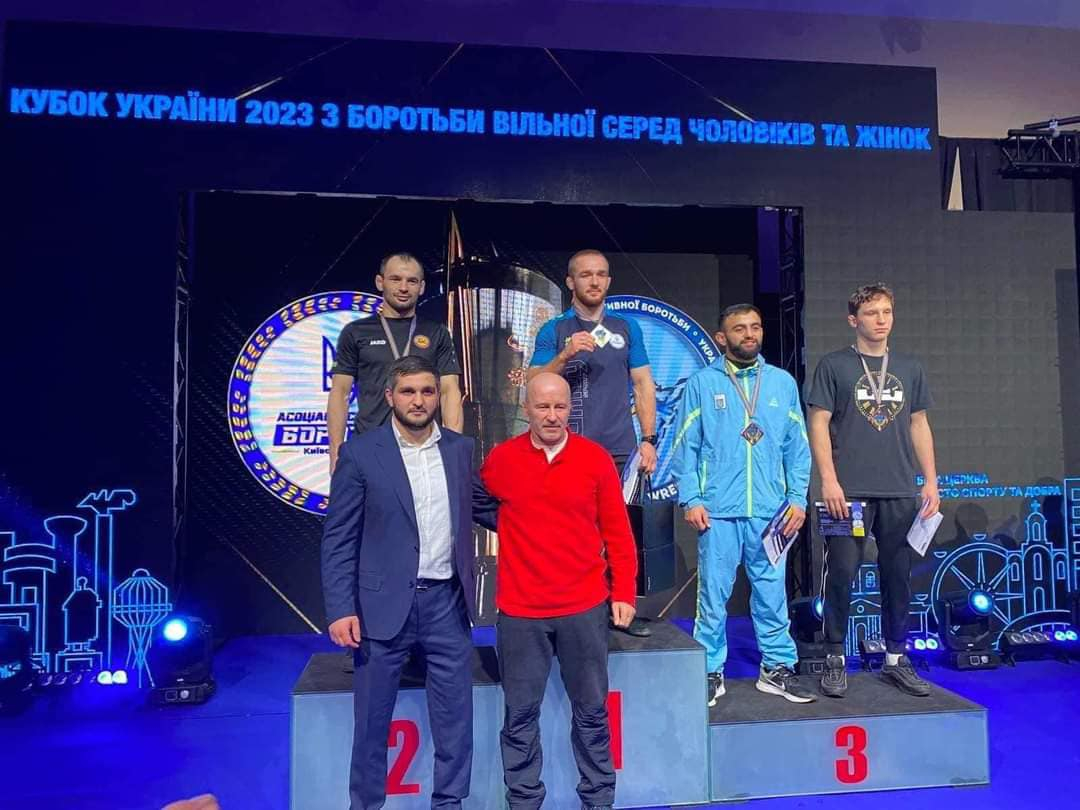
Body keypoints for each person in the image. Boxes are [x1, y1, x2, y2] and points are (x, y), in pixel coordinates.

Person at [321, 356, 498, 810]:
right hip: (380, 610)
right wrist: (341, 608)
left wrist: (553, 516)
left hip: (447, 606)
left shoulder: (459, 449)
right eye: (408, 392)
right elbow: (339, 538)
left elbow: (486, 508)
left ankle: (449, 804)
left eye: (427, 391)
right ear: (389, 397)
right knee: (371, 725)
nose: (418, 401)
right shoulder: (361, 453)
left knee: (455, 722)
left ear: (438, 397)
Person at [480, 372, 637, 810]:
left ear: (570, 409)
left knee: (592, 715)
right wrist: (513, 526)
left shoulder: (594, 459)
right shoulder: (501, 460)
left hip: (583, 608)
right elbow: (477, 502)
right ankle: (524, 802)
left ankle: (598, 801)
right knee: (519, 718)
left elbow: (618, 533)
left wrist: (624, 591)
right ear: (526, 408)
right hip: (520, 612)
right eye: (543, 407)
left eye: (560, 407)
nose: (552, 416)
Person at [671, 304, 816, 707]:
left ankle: (776, 668)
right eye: (739, 328)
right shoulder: (703, 383)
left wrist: (797, 498)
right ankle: (709, 671)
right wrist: (691, 498)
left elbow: (797, 448)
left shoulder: (781, 383)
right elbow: (686, 445)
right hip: (718, 510)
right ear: (722, 338)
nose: (749, 334)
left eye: (755, 326)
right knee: (713, 598)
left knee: (772, 595)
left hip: (771, 512)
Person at [806, 282, 940, 698]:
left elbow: (919, 423)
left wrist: (930, 479)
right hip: (848, 493)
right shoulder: (834, 365)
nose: (881, 320)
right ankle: (834, 657)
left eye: (886, 312)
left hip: (899, 490)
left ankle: (896, 658)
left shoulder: (910, 367)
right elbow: (818, 422)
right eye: (871, 313)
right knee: (842, 573)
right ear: (853, 320)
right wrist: (828, 479)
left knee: (897, 575)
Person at [327, 252, 463, 474]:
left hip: (423, 448)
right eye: (395, 279)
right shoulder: (356, 332)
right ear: (380, 282)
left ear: (422, 287)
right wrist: (335, 452)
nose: (403, 288)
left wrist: (453, 450)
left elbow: (449, 391)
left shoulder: (436, 333)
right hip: (370, 446)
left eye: (412, 281)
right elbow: (340, 393)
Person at [527, 249, 657, 479]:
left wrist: (648, 440)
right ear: (570, 282)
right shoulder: (553, 329)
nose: (595, 282)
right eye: (586, 275)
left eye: (601, 274)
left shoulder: (627, 326)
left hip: (620, 450)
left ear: (608, 281)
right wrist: (564, 355)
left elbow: (643, 384)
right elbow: (533, 383)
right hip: (567, 448)